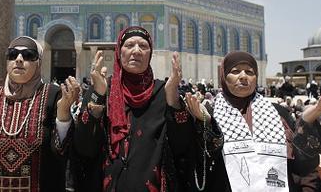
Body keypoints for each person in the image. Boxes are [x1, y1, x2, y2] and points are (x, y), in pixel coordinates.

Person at [72, 26, 223, 191]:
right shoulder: (104, 89)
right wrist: (98, 96)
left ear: (150, 54)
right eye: (129, 45)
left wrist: (173, 98)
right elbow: (84, 147)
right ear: (119, 52)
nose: (136, 51)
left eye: (143, 46)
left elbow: (182, 147)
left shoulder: (162, 93)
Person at [0, 36, 79, 191]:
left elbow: (61, 151)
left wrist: (63, 112)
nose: (18, 59)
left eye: (28, 55)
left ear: (38, 63)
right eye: (12, 54)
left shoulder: (53, 95)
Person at [210, 51, 321, 192]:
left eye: (249, 72)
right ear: (224, 76)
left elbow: (301, 166)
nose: (243, 76)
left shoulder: (277, 113)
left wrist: (306, 121)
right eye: (235, 71)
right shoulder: (211, 114)